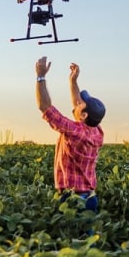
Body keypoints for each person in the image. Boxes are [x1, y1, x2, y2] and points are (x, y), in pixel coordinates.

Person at [35, 56, 105, 219]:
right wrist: (73, 81)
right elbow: (77, 107)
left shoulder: (75, 131)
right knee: (86, 242)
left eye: (81, 103)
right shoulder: (97, 132)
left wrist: (40, 76)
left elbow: (44, 107)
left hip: (73, 199)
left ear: (84, 115)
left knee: (69, 240)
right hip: (89, 197)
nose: (77, 102)